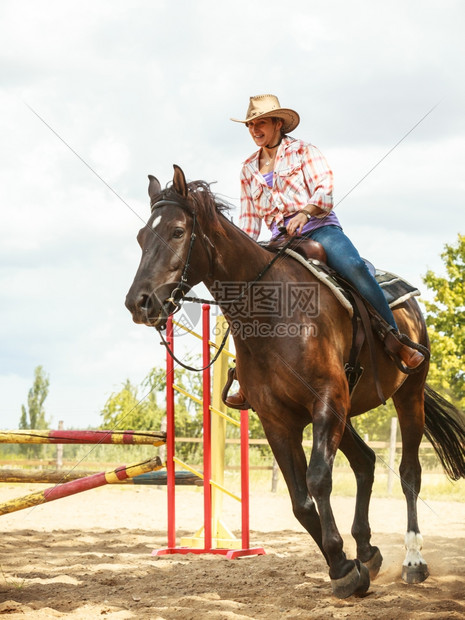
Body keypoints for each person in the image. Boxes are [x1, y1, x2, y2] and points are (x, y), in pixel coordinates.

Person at [225, 94, 424, 408]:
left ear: (278, 123)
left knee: (354, 266)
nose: (254, 128)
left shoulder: (304, 151)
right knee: (248, 292)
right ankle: (246, 373)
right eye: (250, 124)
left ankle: (393, 339)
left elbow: (324, 188)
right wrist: (242, 252)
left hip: (318, 227)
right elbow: (249, 220)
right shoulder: (248, 168)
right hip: (278, 239)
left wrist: (304, 213)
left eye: (260, 122)